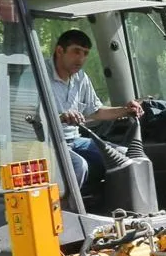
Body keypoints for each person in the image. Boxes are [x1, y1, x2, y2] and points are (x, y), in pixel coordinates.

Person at [47, 29, 141, 197]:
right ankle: (63, 212)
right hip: (46, 143)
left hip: (74, 140)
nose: (81, 59)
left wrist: (126, 110)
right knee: (78, 166)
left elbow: (97, 111)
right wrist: (60, 118)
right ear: (60, 51)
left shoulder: (81, 78)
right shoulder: (37, 74)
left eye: (85, 54)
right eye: (76, 51)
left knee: (125, 156)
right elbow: (24, 117)